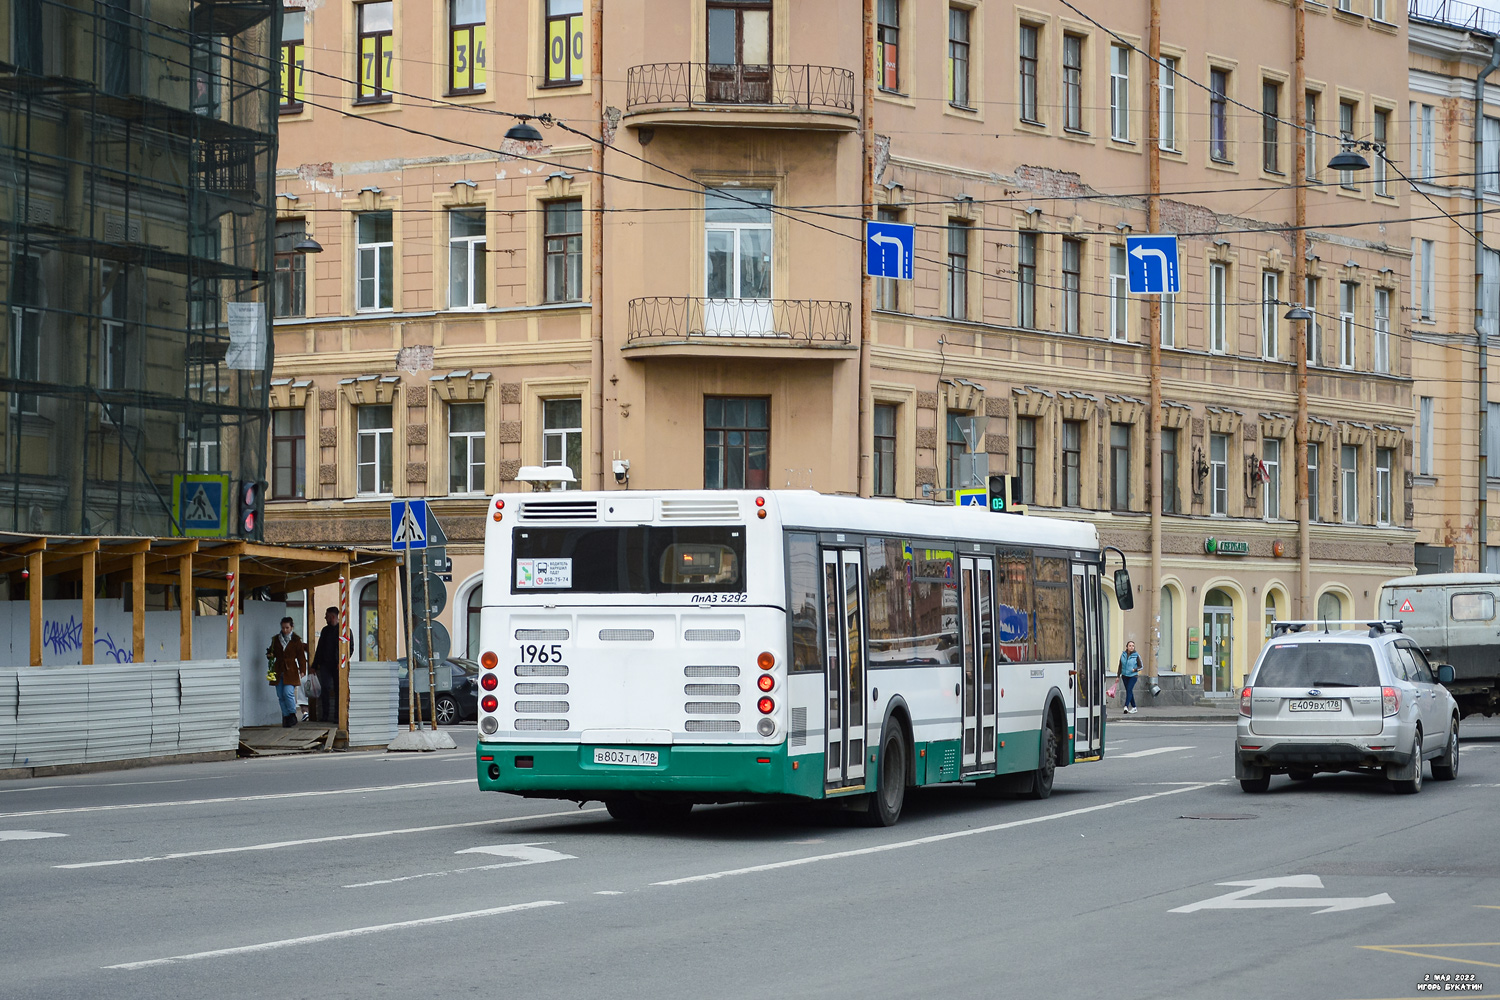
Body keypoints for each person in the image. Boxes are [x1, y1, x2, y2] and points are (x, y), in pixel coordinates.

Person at [267, 617, 309, 728]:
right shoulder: (276, 639)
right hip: (278, 669)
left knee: (288, 693)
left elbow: (301, 657)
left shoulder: (296, 640)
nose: (285, 630)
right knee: (280, 695)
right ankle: (286, 716)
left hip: (291, 669)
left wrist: (303, 670)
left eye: (287, 628)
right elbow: (272, 652)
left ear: (291, 627)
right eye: (283, 628)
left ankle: (292, 714)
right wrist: (270, 655)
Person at [311, 607, 342, 725]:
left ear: (332, 617)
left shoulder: (343, 630)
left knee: (338, 690)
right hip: (325, 665)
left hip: (337, 665)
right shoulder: (325, 630)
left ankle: (337, 716)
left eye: (327, 615)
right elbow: (319, 649)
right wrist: (314, 665)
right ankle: (324, 715)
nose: (325, 617)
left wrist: (342, 661)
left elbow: (350, 647)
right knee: (325, 688)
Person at [1118, 639, 1143, 714]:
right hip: (1124, 676)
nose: (1131, 647)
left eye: (1133, 646)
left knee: (1129, 689)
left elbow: (1141, 666)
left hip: (1133, 676)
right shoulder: (1123, 655)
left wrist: (1135, 670)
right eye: (1130, 646)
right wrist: (1118, 676)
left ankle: (1126, 706)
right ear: (1127, 647)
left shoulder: (1136, 655)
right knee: (1129, 691)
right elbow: (1120, 666)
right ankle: (1134, 707)